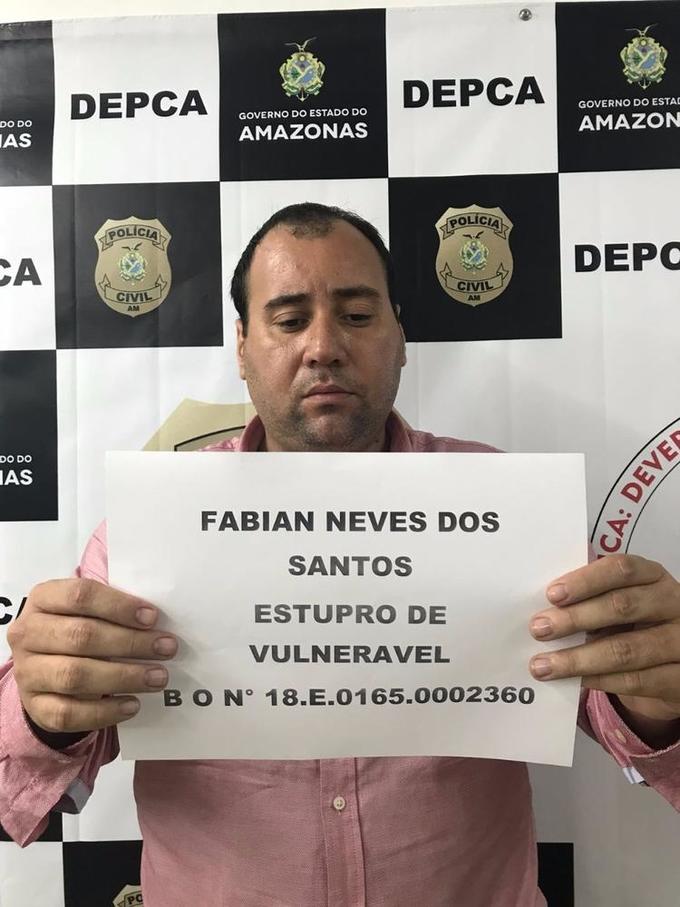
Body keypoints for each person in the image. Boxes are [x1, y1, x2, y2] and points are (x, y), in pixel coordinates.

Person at [2, 203, 680, 907]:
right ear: (242, 348)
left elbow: (616, 706)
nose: (323, 345)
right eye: (289, 319)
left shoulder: (509, 506)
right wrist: (43, 707)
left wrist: (656, 698)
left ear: (400, 337)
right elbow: (19, 781)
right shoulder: (153, 524)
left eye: (357, 315)